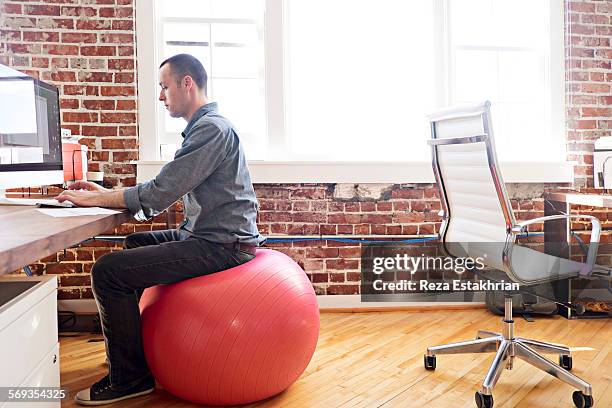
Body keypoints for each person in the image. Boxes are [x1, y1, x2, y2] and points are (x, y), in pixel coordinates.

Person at [58, 53, 265, 405]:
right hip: (206, 234)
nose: (160, 96)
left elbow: (162, 191)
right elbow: (162, 188)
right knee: (135, 243)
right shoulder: (205, 127)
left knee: (107, 272)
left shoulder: (211, 129)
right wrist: (105, 196)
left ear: (187, 83)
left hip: (223, 244)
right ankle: (133, 356)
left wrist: (99, 199)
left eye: (164, 86)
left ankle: (130, 379)